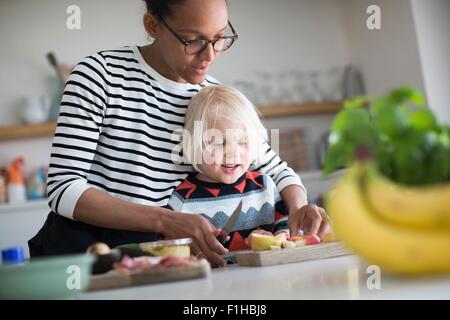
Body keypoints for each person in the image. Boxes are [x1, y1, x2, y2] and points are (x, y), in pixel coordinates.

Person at [29, 0, 330, 267]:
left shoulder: (210, 95)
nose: (209, 55)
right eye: (192, 40)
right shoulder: (99, 75)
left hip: (161, 252)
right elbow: (64, 189)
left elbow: (275, 169)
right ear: (152, 25)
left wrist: (299, 206)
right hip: (88, 249)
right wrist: (166, 219)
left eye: (219, 38)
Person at [168, 85, 294, 253]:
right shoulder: (181, 199)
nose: (233, 152)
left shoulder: (265, 186)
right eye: (219, 142)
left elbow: (285, 224)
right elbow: (172, 248)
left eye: (243, 142)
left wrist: (275, 239)